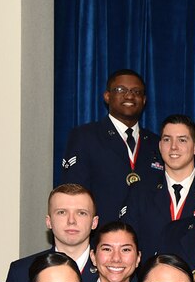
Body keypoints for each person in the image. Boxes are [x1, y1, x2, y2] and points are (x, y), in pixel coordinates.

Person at [61, 69, 160, 222]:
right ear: (107, 96)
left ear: (144, 100)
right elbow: (73, 193)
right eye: (121, 90)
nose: (129, 96)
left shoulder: (156, 143)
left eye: (136, 91)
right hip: (101, 233)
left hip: (146, 234)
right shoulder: (85, 136)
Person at [6, 184, 100, 282]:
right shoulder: (21, 271)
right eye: (62, 212)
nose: (71, 221)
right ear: (49, 221)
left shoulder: (112, 270)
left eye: (81, 213)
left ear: (94, 222)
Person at [120, 114, 195, 255]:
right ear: (159, 146)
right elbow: (127, 241)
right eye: (167, 140)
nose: (173, 147)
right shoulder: (141, 191)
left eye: (182, 140)